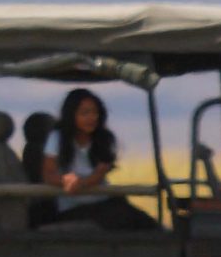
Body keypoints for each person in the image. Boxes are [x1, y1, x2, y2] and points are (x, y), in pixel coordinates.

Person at [38, 87, 154, 232]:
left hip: (104, 200)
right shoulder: (57, 138)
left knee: (143, 221)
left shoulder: (103, 139)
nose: (91, 118)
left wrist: (82, 182)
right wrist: (65, 181)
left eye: (95, 112)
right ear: (71, 114)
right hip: (74, 207)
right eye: (84, 113)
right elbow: (48, 174)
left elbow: (98, 176)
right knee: (121, 217)